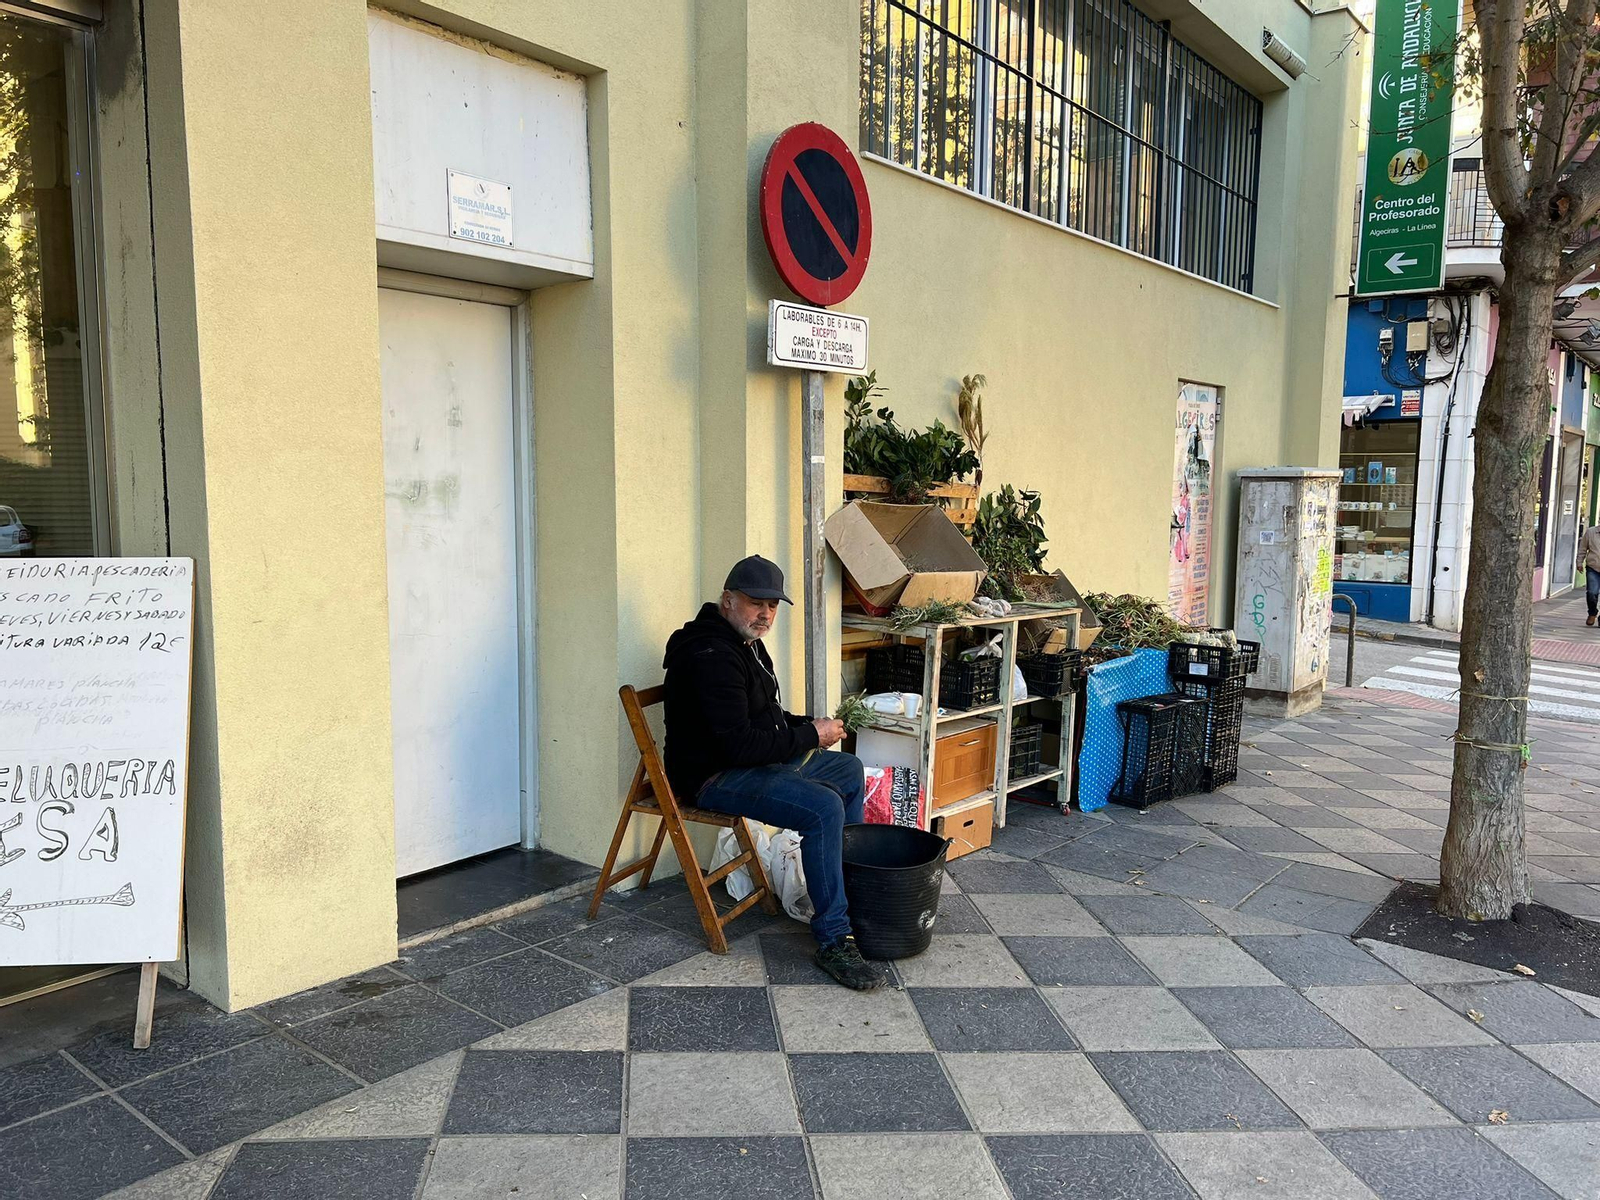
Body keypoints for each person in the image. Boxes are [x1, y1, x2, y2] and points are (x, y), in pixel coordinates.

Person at [662, 555, 886, 991]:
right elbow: (738, 744)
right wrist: (809, 736)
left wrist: (809, 726)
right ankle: (834, 937)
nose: (765, 614)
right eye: (755, 602)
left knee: (847, 770)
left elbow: (766, 718)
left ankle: (848, 890)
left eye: (773, 605)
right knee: (821, 807)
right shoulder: (710, 654)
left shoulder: (746, 644)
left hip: (750, 762)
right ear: (727, 600)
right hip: (714, 776)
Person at [1583, 522, 1600, 627]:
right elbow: (1583, 548)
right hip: (1593, 567)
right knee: (1591, 593)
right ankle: (1592, 613)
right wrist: (1579, 562)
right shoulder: (1590, 532)